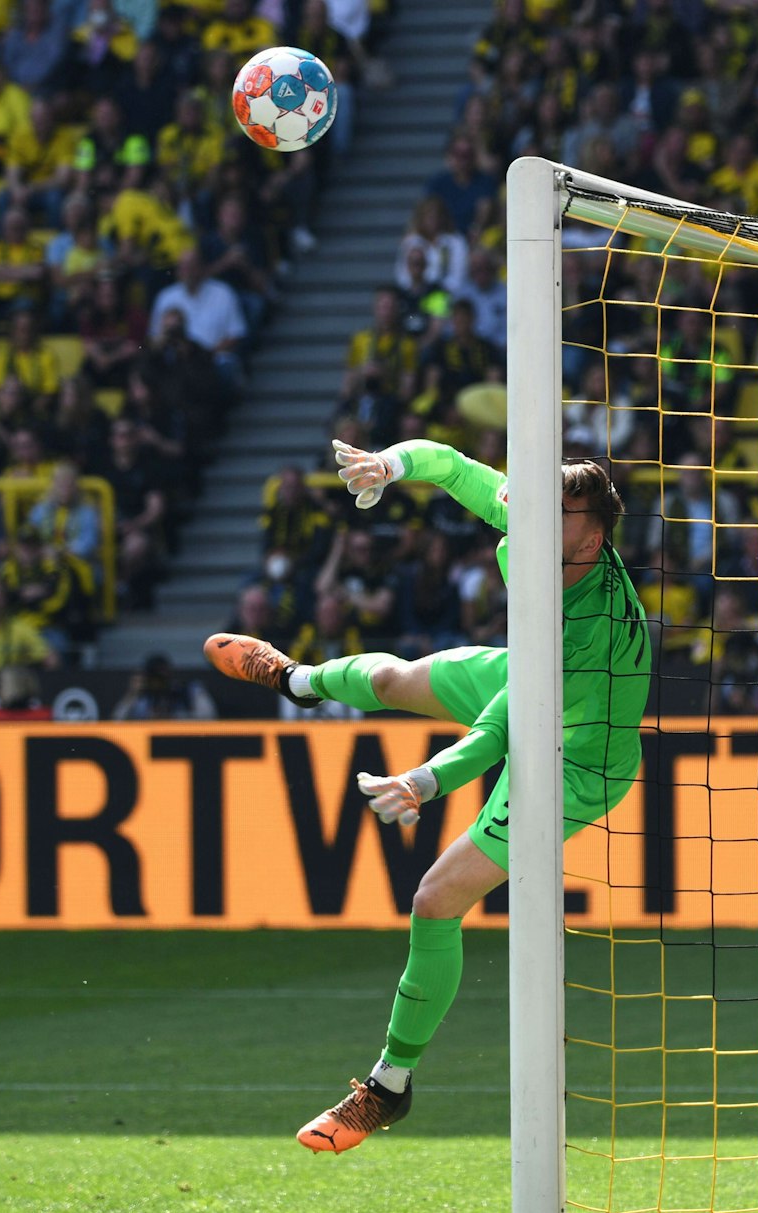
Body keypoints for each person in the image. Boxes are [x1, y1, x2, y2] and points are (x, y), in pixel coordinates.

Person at [204, 438, 650, 1153]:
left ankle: (389, 1085)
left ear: (591, 537)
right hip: (528, 681)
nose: (528, 520)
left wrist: (424, 779)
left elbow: (502, 728)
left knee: (435, 898)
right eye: (528, 507)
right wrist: (390, 465)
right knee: (391, 683)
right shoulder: (538, 526)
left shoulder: (584, 628)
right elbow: (453, 465)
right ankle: (297, 681)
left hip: (579, 760)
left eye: (552, 514)